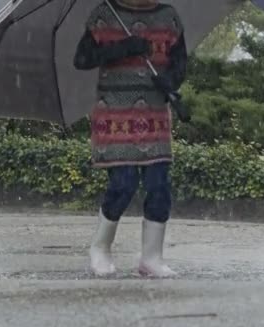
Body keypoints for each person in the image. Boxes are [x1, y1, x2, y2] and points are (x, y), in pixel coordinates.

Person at [73, 0, 187, 277]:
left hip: (154, 116)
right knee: (123, 184)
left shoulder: (168, 17)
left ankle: (151, 257)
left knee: (158, 185)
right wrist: (121, 48)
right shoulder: (104, 14)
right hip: (116, 116)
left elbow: (180, 63)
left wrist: (170, 81)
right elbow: (82, 59)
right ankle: (100, 248)